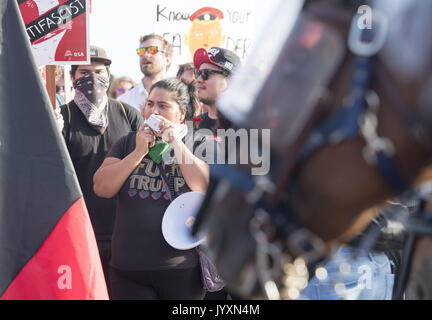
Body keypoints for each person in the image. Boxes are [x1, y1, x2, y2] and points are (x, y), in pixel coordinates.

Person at [93, 78, 210, 300]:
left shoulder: (195, 143)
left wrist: (175, 141)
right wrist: (137, 153)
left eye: (163, 106)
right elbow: (101, 187)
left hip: (180, 269)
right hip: (129, 268)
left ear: (181, 114)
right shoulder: (128, 143)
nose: (153, 111)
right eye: (149, 104)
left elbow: (204, 186)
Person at [58, 45, 142, 295]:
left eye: (99, 71)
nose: (92, 78)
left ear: (108, 75)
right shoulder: (63, 118)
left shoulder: (128, 114)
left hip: (124, 231)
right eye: (84, 72)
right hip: (81, 231)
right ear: (72, 77)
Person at [118, 34, 173, 110]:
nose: (145, 55)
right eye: (141, 51)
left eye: (153, 50)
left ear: (167, 59)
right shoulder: (123, 102)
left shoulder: (179, 96)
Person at [193, 47, 241, 132]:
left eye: (206, 73)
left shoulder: (244, 127)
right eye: (198, 73)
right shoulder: (196, 123)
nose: (198, 79)